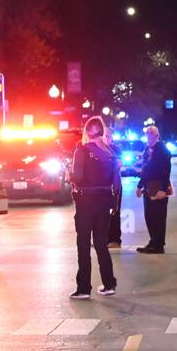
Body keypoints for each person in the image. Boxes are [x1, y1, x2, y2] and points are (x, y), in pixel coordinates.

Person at [70, 116, 119, 299]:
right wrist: (114, 204)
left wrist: (70, 175)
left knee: (83, 244)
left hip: (86, 201)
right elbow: (116, 183)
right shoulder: (110, 153)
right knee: (101, 243)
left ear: (87, 131)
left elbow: (78, 177)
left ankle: (83, 287)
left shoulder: (81, 150)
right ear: (103, 131)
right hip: (104, 200)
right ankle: (109, 283)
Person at [135, 125, 172, 254]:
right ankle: (154, 241)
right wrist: (139, 186)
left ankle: (158, 245)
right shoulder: (147, 149)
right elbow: (145, 170)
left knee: (158, 217)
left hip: (158, 185)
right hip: (148, 186)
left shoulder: (162, 150)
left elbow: (166, 171)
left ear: (157, 136)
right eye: (148, 135)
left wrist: (163, 188)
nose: (149, 137)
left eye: (152, 135)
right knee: (149, 216)